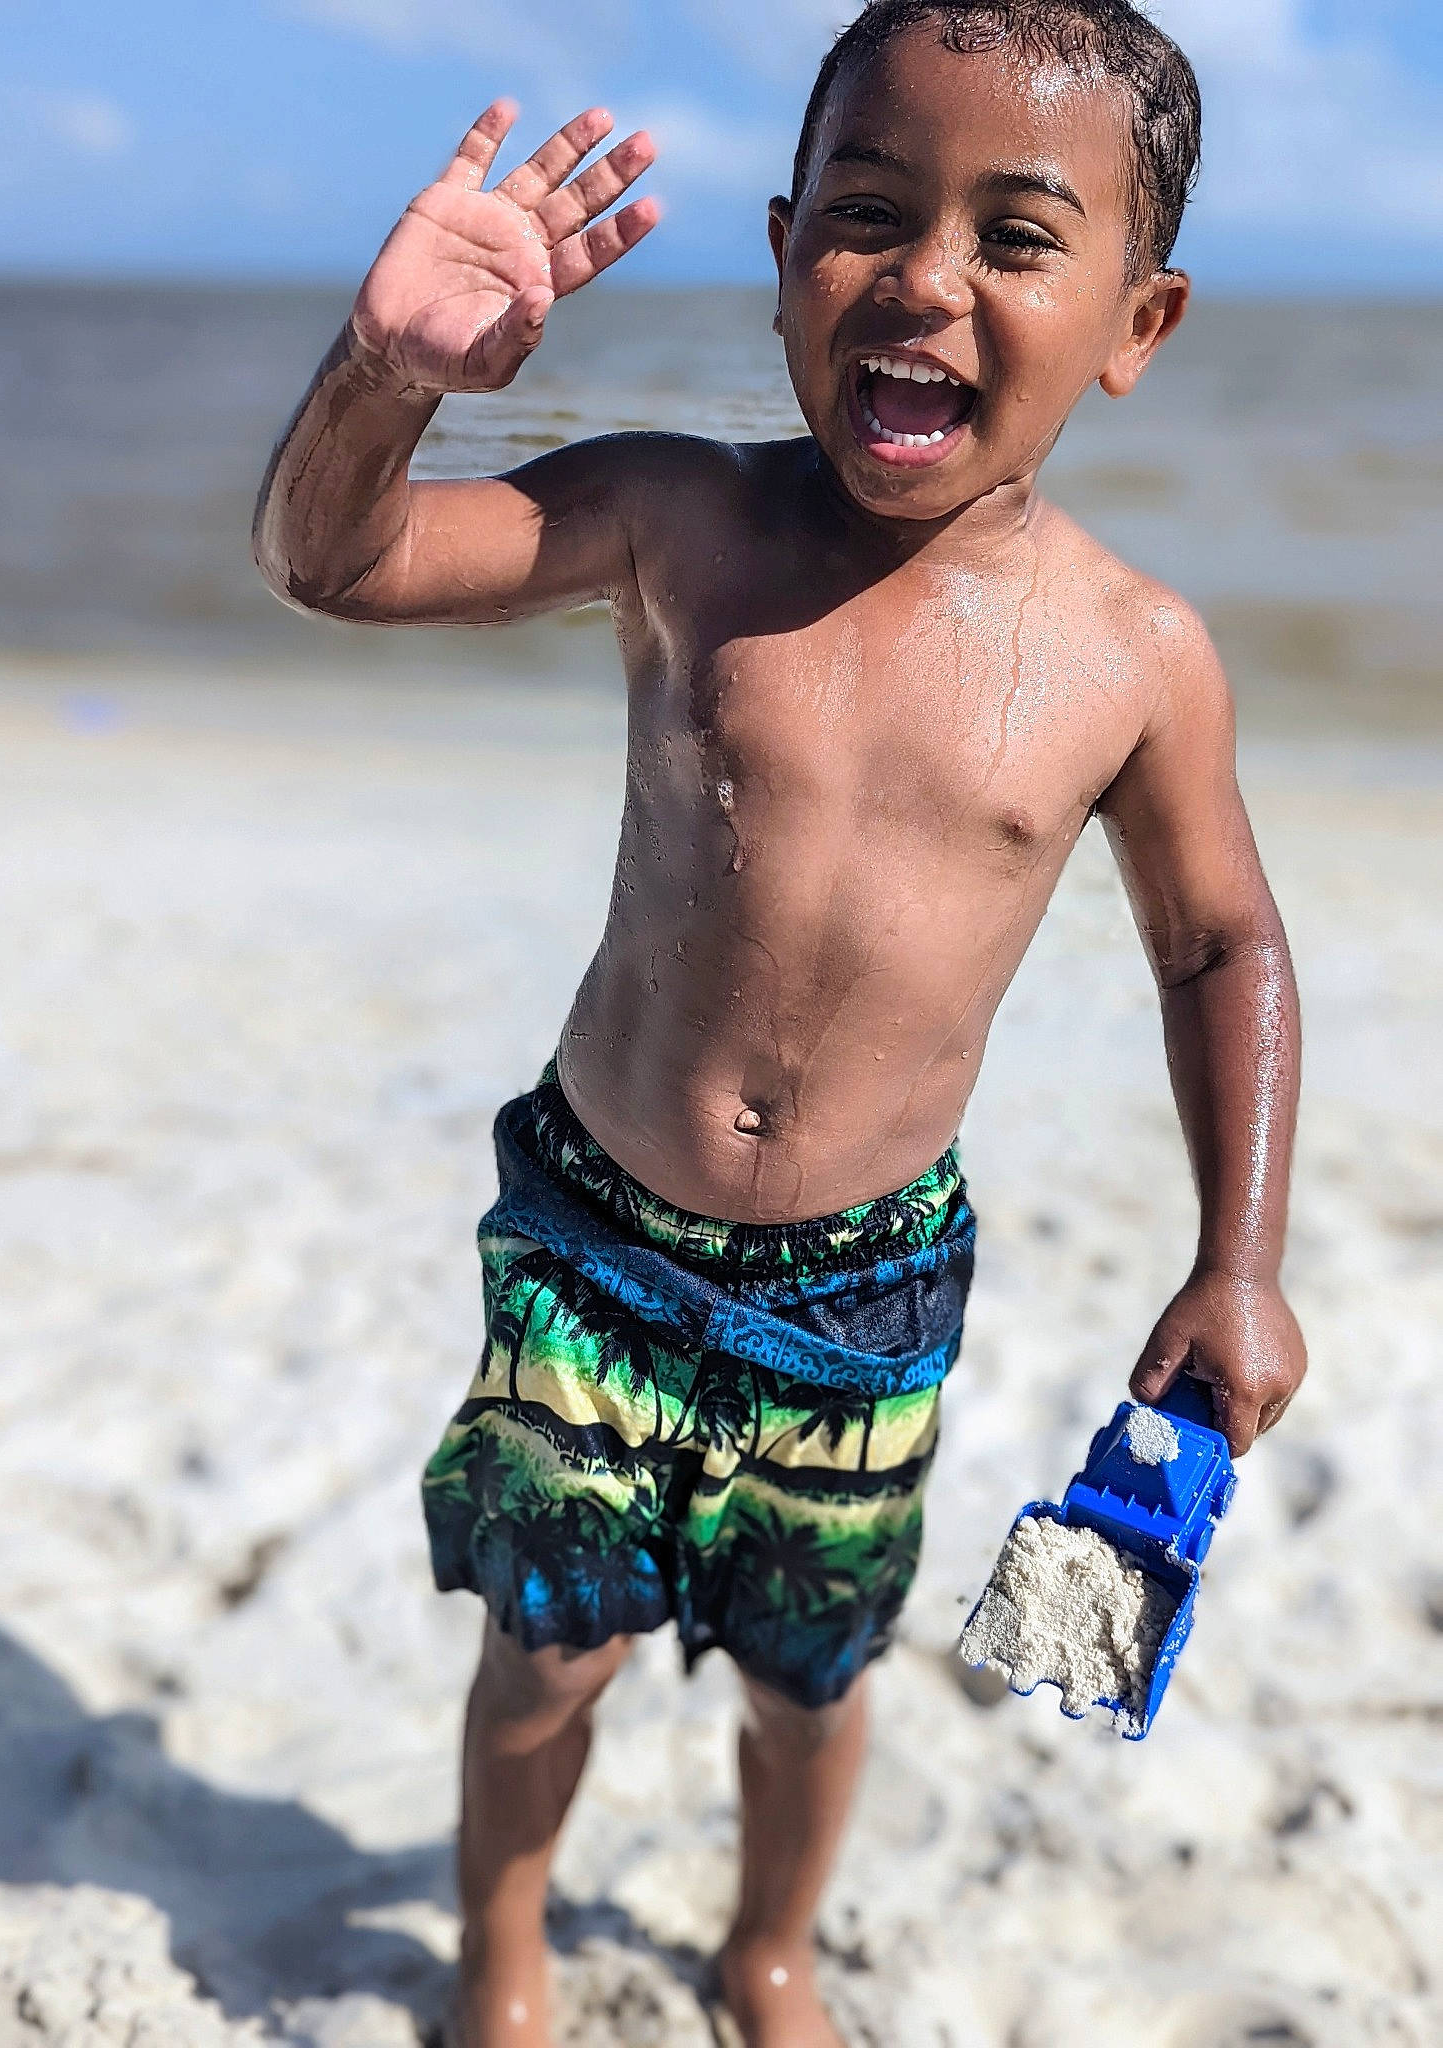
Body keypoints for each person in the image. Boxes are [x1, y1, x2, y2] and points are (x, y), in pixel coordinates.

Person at [254, 4, 1307, 2041]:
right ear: (780, 248)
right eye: (867, 213)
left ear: (1137, 322)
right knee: (545, 1654)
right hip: (595, 1241)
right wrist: (386, 374)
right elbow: (335, 557)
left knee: (810, 1678)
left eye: (1017, 236)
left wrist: (1237, 1259)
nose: (923, 279)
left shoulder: (1136, 655)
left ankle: (769, 1949)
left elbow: (1219, 947)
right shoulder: (679, 521)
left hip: (865, 1287)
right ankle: (502, 1953)